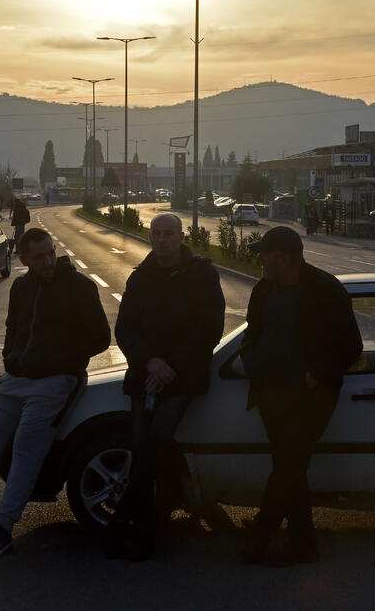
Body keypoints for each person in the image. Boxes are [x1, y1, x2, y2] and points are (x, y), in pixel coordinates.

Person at [0, 227, 110, 557]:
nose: (47, 261)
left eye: (50, 253)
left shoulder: (78, 287)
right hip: (16, 379)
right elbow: (12, 329)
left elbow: (100, 338)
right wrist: (12, 360)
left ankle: (3, 526)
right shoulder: (21, 287)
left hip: (56, 381)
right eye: (38, 257)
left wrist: (60, 362)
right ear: (23, 259)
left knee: (28, 446)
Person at [238, 225, 361, 567]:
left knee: (288, 464)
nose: (260, 259)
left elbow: (352, 345)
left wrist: (316, 374)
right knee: (289, 468)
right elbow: (251, 335)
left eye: (265, 254)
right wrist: (252, 362)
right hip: (271, 395)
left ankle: (259, 540)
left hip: (312, 397)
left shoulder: (325, 289)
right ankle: (304, 545)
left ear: (285, 258)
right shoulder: (263, 290)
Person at [109, 213, 225, 562]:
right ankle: (140, 524)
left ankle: (132, 528)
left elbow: (209, 330)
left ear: (181, 236)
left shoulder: (203, 274)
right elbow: (125, 329)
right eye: (156, 234)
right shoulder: (139, 278)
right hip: (146, 374)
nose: (161, 240)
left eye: (168, 234)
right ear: (150, 236)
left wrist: (170, 365)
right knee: (143, 448)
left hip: (183, 375)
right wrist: (150, 362)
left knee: (154, 446)